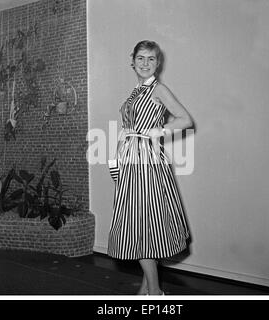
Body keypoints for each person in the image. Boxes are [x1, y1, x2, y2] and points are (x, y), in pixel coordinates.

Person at [107, 40, 194, 295]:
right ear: (132, 61)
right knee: (146, 223)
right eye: (141, 58)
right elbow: (127, 129)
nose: (145, 63)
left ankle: (154, 292)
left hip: (146, 160)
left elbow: (185, 119)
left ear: (158, 63)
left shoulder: (158, 89)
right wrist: (116, 157)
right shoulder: (136, 91)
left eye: (151, 59)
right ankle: (146, 290)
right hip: (130, 158)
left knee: (139, 223)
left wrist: (160, 130)